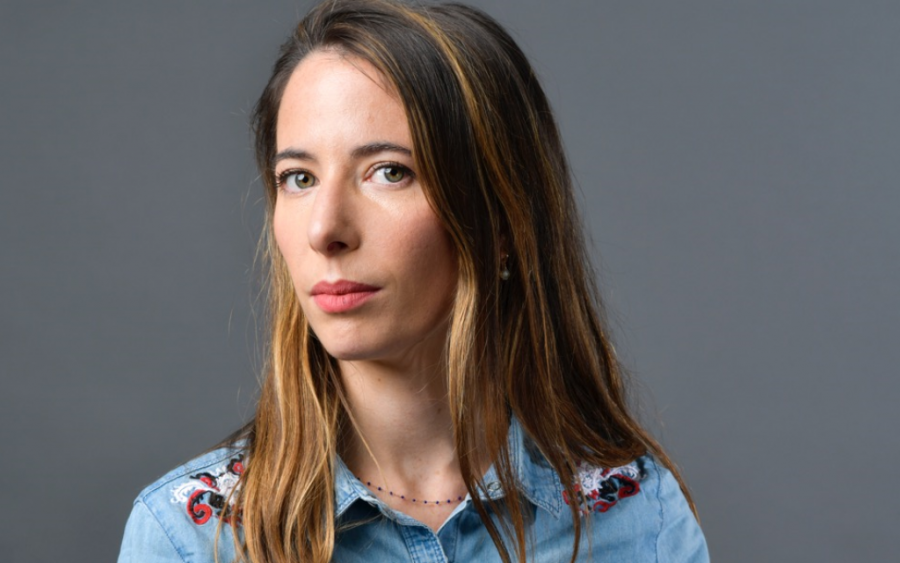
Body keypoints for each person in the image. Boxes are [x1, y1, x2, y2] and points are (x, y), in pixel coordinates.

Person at [117, 0, 710, 561]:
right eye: (299, 178)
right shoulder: (191, 540)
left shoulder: (639, 516)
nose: (325, 230)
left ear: (501, 219)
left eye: (388, 172)